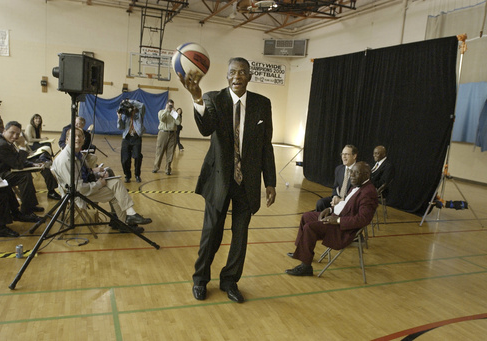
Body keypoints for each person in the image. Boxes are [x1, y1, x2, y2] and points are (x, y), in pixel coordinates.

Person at [179, 57, 277, 303]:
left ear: (249, 77)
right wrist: (197, 98)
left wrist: (270, 182)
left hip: (248, 181)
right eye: (233, 72)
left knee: (240, 236)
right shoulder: (214, 99)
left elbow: (267, 146)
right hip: (219, 179)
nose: (237, 76)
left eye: (243, 72)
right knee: (211, 233)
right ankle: (200, 280)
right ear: (227, 76)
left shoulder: (262, 104)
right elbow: (205, 127)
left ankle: (230, 280)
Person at [52, 127, 152, 233]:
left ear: (83, 139)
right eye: (74, 136)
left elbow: (84, 174)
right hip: (78, 194)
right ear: (66, 139)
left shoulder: (77, 153)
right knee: (116, 193)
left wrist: (97, 174)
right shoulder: (66, 160)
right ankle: (123, 222)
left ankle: (128, 215)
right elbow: (79, 188)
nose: (77, 138)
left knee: (116, 182)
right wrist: (99, 184)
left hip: (85, 186)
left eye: (79, 136)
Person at [285, 161, 378, 276]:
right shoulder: (356, 184)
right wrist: (329, 210)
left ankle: (306, 266)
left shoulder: (368, 192)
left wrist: (338, 221)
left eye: (356, 173)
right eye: (351, 172)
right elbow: (344, 204)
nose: (352, 176)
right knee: (306, 217)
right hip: (336, 217)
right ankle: (301, 252)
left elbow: (363, 219)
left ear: (366, 175)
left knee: (310, 228)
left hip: (344, 229)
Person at [0, 121, 43, 219]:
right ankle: (27, 211)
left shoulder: (4, 141)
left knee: (24, 175)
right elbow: (18, 165)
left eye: (18, 134)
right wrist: (23, 146)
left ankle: (23, 210)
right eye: (12, 132)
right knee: (24, 177)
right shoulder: (0, 144)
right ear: (4, 131)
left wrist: (33, 164)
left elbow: (14, 159)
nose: (15, 136)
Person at [0, 116, 60, 200]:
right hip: (5, 169)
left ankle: (44, 194)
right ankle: (35, 201)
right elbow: (16, 161)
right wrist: (23, 147)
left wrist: (33, 163)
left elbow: (15, 154)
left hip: (20, 158)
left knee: (42, 164)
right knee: (27, 175)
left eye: (0, 123)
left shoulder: (3, 137)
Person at [316, 144, 358, 211]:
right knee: (320, 203)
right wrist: (335, 196)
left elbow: (357, 194)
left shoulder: (359, 171)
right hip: (338, 198)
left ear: (354, 156)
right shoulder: (339, 169)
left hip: (350, 203)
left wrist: (342, 200)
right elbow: (335, 187)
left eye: (347, 154)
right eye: (342, 154)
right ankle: (319, 221)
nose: (343, 157)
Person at [117, 99, 145, 183]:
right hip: (126, 138)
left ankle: (137, 175)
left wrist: (130, 101)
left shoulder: (139, 114)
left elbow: (142, 106)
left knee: (137, 156)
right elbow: (120, 127)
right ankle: (127, 175)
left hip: (136, 137)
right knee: (125, 159)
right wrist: (119, 118)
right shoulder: (126, 115)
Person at [153, 99, 180, 175]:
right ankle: (156, 167)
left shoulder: (174, 113)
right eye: (169, 105)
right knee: (160, 150)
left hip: (172, 133)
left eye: (172, 105)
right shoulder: (161, 112)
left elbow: (178, 122)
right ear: (166, 105)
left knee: (170, 152)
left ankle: (168, 169)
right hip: (163, 133)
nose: (170, 106)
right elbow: (162, 119)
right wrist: (167, 110)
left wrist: (175, 113)